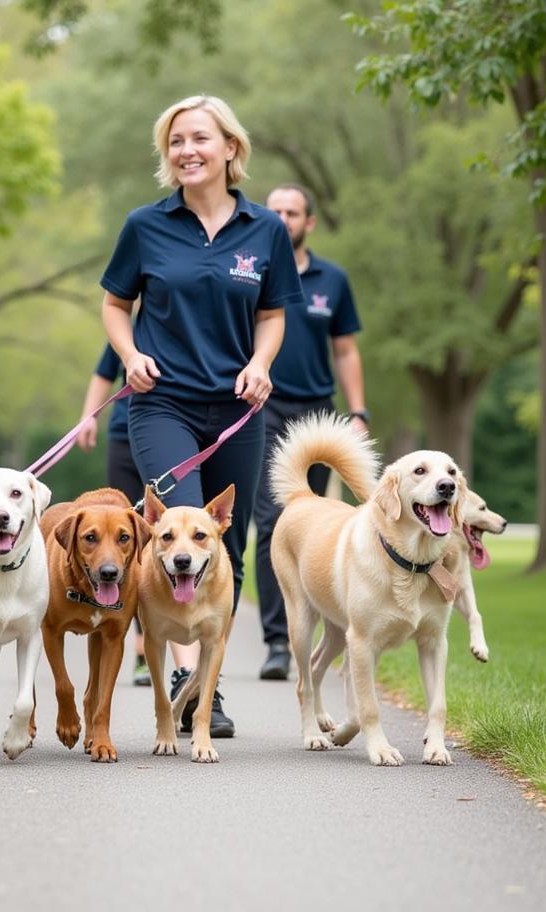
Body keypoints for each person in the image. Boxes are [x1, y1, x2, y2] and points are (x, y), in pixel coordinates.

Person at [100, 95, 302, 737]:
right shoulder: (145, 225)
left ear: (230, 149)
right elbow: (113, 305)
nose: (187, 150)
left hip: (239, 408)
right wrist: (129, 354)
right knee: (180, 527)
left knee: (225, 545)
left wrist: (262, 363)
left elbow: (273, 314)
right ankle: (192, 688)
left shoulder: (264, 228)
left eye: (199, 139)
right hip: (162, 404)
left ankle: (203, 683)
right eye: (176, 141)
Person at [253, 183, 367, 681]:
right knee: (270, 519)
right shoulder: (249, 272)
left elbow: (345, 349)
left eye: (292, 212)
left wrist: (357, 410)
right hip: (263, 406)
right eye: (274, 210)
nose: (282, 218)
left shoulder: (333, 280)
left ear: (308, 222)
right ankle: (278, 640)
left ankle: (318, 628)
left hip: (318, 410)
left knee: (316, 523)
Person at [77, 343, 149, 685]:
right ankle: (138, 649)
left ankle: (149, 643)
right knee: (118, 536)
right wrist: (88, 416)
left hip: (168, 430)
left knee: (147, 544)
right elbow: (104, 372)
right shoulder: (128, 333)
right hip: (123, 432)